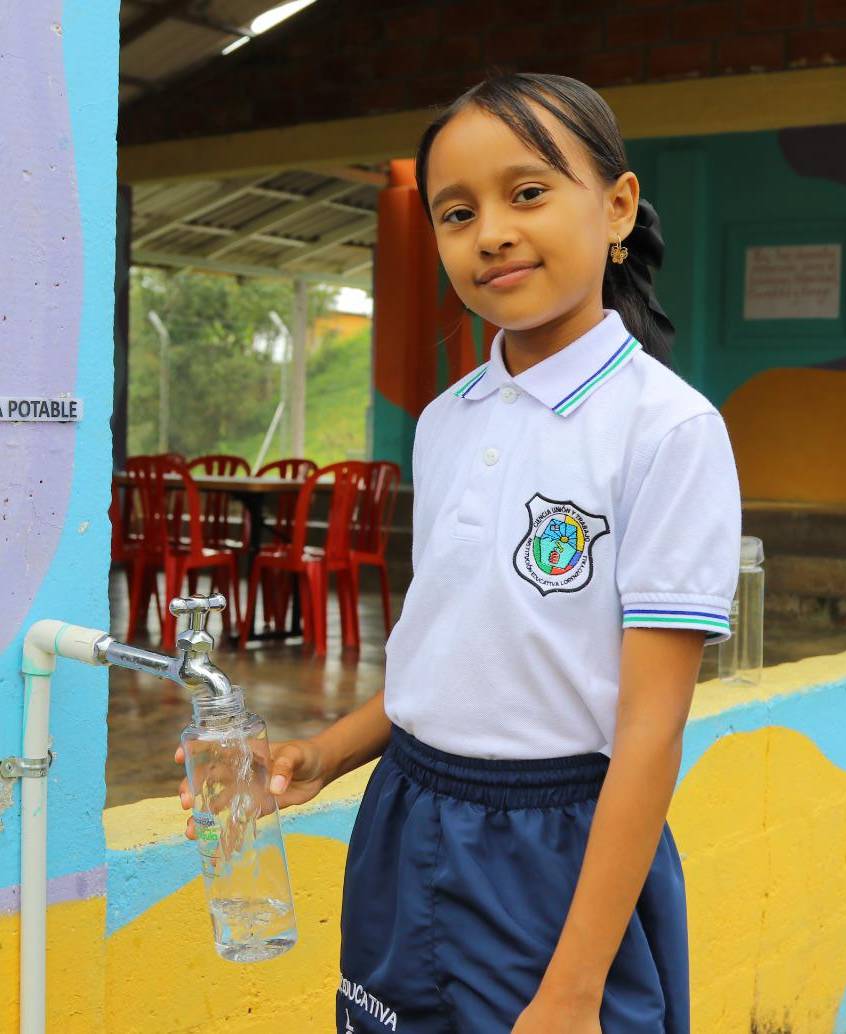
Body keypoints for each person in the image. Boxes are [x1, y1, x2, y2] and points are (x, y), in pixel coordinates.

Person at [176, 71, 741, 1034]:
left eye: (529, 192)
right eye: (456, 212)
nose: (492, 233)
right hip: (404, 817)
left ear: (617, 207)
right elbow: (447, 659)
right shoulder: (444, 422)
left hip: (558, 851)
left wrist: (573, 990)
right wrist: (324, 755)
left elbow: (649, 735)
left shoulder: (667, 430)